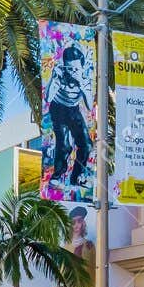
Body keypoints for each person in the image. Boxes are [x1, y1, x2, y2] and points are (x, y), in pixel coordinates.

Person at [45, 42, 93, 191]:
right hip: (58, 109)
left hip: (73, 110)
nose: (72, 72)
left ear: (82, 67)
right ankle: (57, 176)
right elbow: (48, 98)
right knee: (64, 145)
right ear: (64, 65)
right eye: (69, 68)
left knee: (86, 145)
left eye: (76, 69)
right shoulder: (60, 77)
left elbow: (90, 106)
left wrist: (83, 87)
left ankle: (76, 176)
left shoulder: (84, 80)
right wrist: (54, 78)